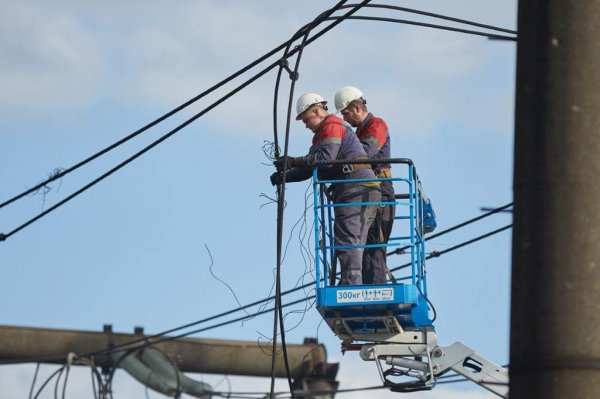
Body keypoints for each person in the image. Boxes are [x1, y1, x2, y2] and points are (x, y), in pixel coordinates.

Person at [270, 92, 381, 285]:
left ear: (316, 111)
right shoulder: (325, 133)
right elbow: (311, 167)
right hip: (362, 187)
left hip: (355, 187)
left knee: (348, 240)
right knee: (353, 240)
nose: (306, 126)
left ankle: (351, 287)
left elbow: (325, 160)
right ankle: (353, 283)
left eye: (306, 120)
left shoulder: (331, 126)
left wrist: (292, 161)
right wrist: (285, 177)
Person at [334, 86, 395, 285]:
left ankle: (376, 292)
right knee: (363, 245)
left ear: (357, 108)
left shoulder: (377, 125)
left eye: (346, 113)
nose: (345, 118)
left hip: (379, 192)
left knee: (374, 247)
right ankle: (367, 289)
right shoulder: (359, 131)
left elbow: (366, 152)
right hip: (366, 191)